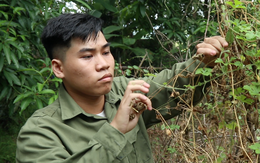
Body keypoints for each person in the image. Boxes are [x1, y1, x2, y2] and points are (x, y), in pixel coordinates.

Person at [16, 13, 228, 163]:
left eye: (106, 52)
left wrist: (203, 62)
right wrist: (115, 130)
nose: (103, 64)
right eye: (88, 56)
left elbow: (170, 86)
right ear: (58, 68)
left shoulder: (123, 92)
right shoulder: (40, 132)